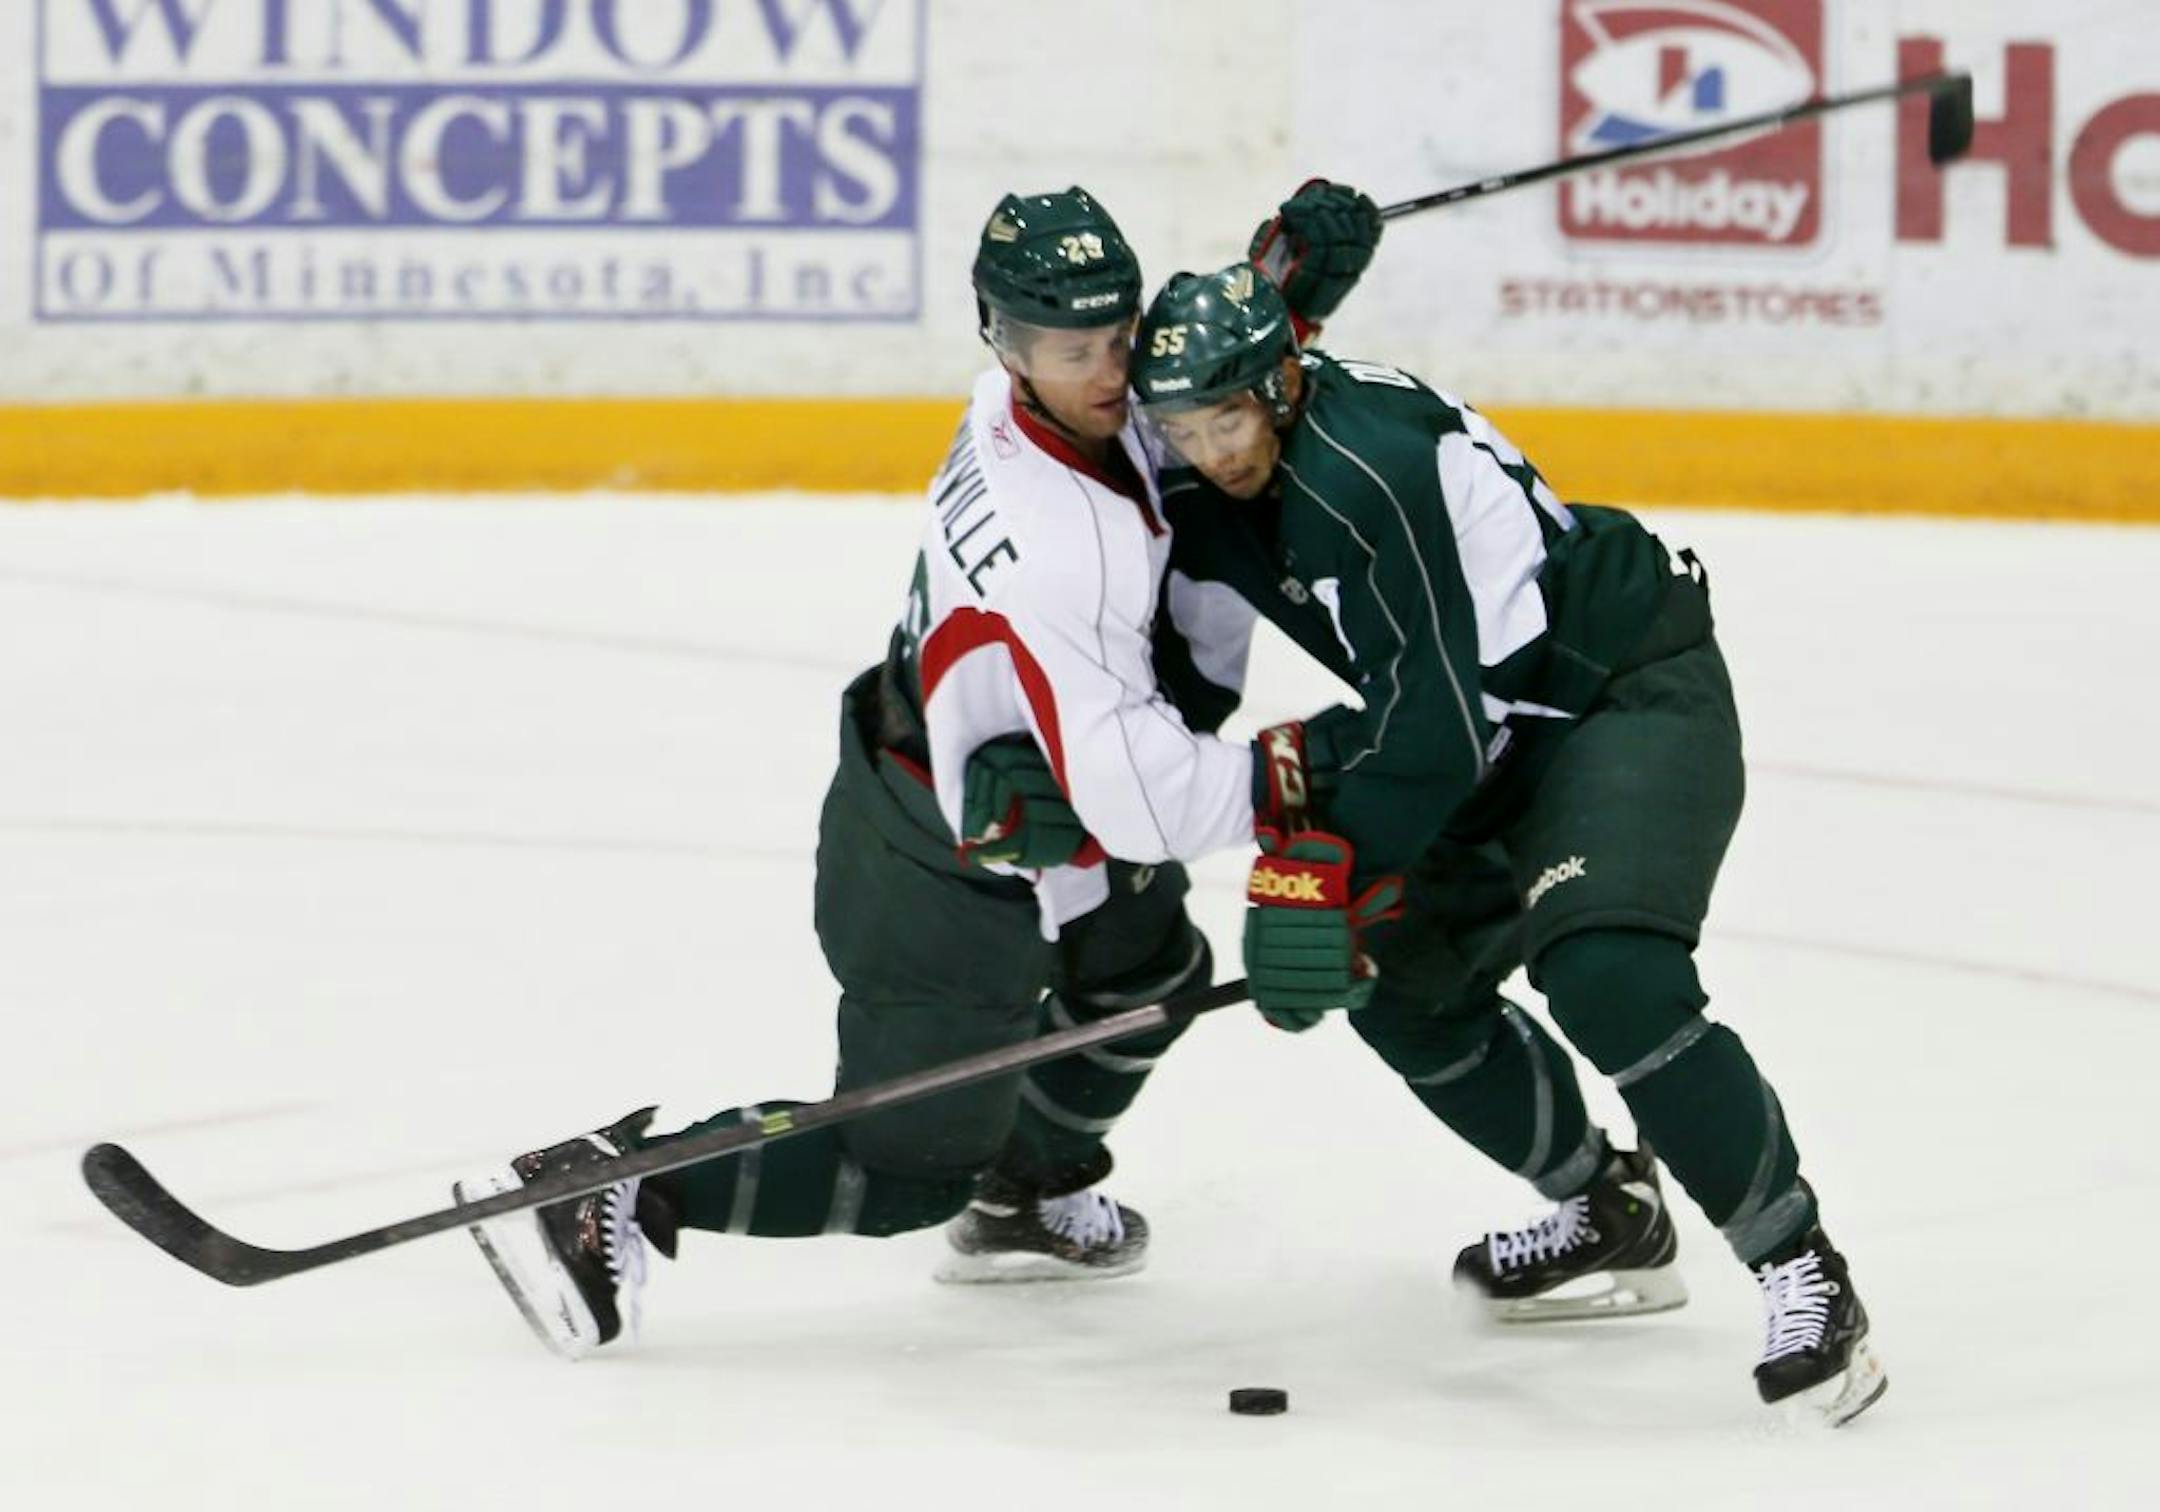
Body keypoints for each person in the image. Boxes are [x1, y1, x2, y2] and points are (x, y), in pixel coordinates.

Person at [451, 187, 1382, 1360]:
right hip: (940, 850)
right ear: (1005, 344)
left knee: (1151, 970)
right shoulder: (1064, 544)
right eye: (1069, 349)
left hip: (1024, 793)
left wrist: (1279, 298)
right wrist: (1317, 771)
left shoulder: (1034, 402)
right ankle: (615, 1183)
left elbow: (1173, 402)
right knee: (903, 1175)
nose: (1107, 372)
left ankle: (1030, 1193)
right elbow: (1144, 802)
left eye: (1119, 336)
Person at [1112, 262, 1885, 1427]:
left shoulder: (1360, 474)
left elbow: (1425, 737)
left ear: (1277, 384)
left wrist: (1323, 875)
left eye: (1226, 417)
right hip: (1487, 727)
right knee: (1398, 985)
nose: (1210, 449)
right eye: (1183, 425)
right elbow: (1419, 723)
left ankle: (1803, 1274)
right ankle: (1605, 1210)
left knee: (1609, 973)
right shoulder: (1220, 463)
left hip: (1613, 687)